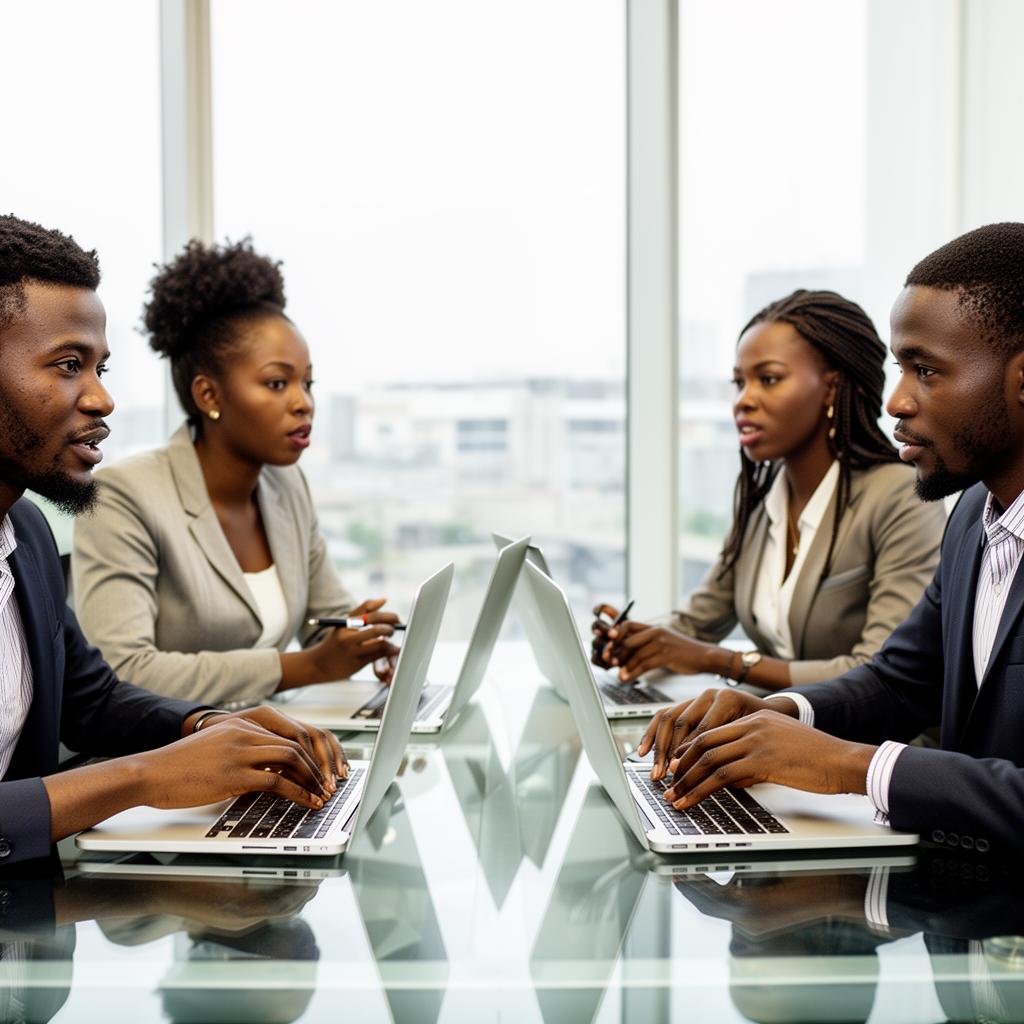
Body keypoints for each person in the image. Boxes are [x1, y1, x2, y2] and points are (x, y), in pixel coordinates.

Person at [638, 222, 1024, 855]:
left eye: (925, 371)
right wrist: (777, 713)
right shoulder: (975, 515)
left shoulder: (907, 501)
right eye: (901, 370)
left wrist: (850, 766)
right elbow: (901, 682)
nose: (896, 401)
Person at [0, 213, 348, 866]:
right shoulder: (117, 501)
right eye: (69, 365)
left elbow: (94, 699)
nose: (101, 399)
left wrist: (210, 726)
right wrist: (146, 777)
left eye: (100, 367)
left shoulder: (27, 537)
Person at [72, 239, 400, 706]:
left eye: (307, 383)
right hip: (169, 754)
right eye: (276, 382)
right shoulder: (124, 496)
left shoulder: (285, 486)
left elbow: (323, 621)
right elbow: (123, 671)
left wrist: (361, 635)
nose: (303, 402)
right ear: (209, 396)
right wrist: (304, 667)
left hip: (265, 736)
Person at [592, 289, 945, 690]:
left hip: (871, 744)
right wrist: (634, 641)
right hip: (778, 727)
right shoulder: (762, 501)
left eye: (769, 379)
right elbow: (695, 624)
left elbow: (879, 670)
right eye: (739, 383)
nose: (744, 401)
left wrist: (719, 661)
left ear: (831, 388)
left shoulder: (898, 497)